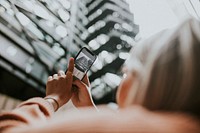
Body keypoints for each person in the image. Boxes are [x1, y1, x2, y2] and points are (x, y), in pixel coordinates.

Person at [0, 18, 200, 133]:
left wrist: (52, 99)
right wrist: (89, 108)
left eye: (127, 72)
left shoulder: (128, 126)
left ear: (145, 81)